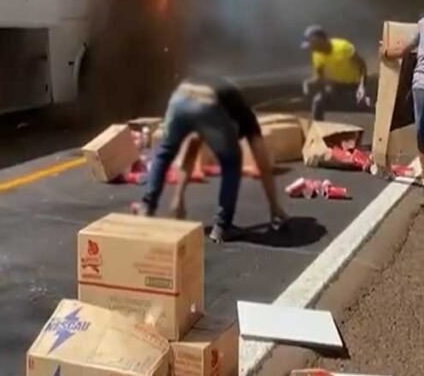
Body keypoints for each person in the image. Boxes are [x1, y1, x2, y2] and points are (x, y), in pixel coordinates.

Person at [132, 77, 289, 243]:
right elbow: (263, 163)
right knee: (231, 161)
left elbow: (191, 148)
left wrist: (178, 200)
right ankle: (223, 227)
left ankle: (146, 207)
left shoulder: (225, 105)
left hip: (180, 97)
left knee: (164, 152)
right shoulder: (246, 117)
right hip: (208, 101)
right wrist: (274, 206)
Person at [381, 16, 424, 175]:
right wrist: (386, 52)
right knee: (422, 133)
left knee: (422, 133)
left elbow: (406, 49)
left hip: (420, 85)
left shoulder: (422, 23)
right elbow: (407, 48)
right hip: (421, 85)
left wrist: (386, 52)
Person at [301, 25, 368, 121]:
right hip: (337, 86)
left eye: (312, 43)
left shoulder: (343, 47)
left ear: (320, 40)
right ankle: (319, 130)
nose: (311, 48)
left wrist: (362, 87)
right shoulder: (317, 55)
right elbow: (320, 78)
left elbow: (362, 66)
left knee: (368, 104)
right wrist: (309, 83)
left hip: (355, 85)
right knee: (318, 102)